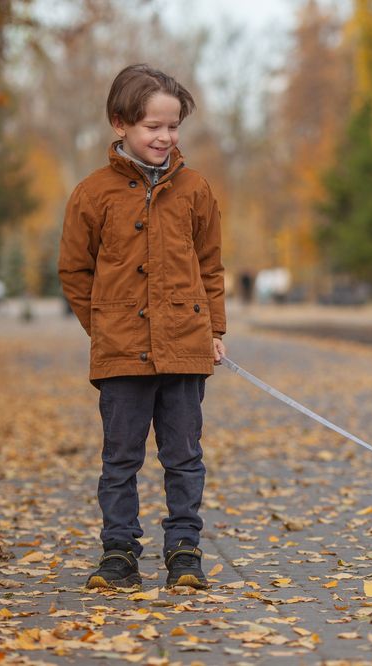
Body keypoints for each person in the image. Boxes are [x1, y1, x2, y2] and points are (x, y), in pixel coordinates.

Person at [58, 64, 226, 590]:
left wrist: (214, 330)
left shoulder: (196, 191)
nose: (165, 137)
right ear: (120, 124)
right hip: (120, 352)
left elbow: (211, 266)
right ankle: (119, 552)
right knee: (120, 459)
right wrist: (103, 325)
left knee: (184, 457)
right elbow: (74, 270)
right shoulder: (93, 194)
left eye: (173, 127)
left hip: (184, 350)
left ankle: (183, 550)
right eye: (153, 126)